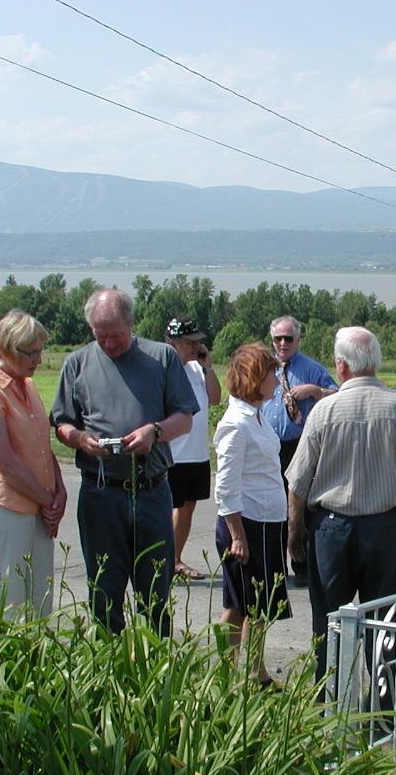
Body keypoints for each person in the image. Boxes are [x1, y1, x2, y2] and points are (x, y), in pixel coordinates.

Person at [285, 326, 396, 698]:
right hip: (385, 529)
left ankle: (329, 702)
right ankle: (387, 709)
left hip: (332, 529)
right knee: (387, 623)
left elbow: (298, 482)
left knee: (329, 622)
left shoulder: (324, 411)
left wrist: (295, 531)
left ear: (341, 367)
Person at [49, 289, 199, 634]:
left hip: (151, 491)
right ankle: (109, 667)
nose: (109, 344)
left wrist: (154, 432)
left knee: (155, 594)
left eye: (116, 335)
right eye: (100, 336)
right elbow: (61, 423)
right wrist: (81, 440)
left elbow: (185, 418)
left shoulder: (161, 357)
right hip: (101, 493)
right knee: (103, 591)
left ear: (131, 324)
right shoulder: (77, 363)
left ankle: (155, 668)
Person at [0, 310, 66, 616]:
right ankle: (9, 663)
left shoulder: (26, 384)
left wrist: (59, 492)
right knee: (10, 600)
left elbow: (42, 447)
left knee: (40, 598)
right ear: (7, 349)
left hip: (38, 505)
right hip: (4, 505)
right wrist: (48, 500)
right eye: (31, 352)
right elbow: (4, 460)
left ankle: (37, 660)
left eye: (40, 351)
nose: (39, 360)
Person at [213, 343, 290, 685]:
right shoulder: (235, 424)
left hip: (267, 521)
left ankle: (255, 671)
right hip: (247, 524)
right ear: (254, 378)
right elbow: (225, 486)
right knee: (240, 604)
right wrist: (238, 535)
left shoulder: (255, 415)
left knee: (260, 604)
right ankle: (225, 673)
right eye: (271, 373)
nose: (276, 378)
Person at [262, 315, 338, 586]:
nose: (283, 344)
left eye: (288, 338)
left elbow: (339, 396)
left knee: (301, 508)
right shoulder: (264, 366)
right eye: (278, 339)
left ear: (298, 339)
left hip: (300, 445)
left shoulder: (312, 369)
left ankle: (302, 564)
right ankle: (275, 570)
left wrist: (316, 391)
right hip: (268, 447)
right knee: (272, 506)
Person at [165, 316, 221, 581]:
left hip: (197, 454)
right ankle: (164, 561)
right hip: (173, 454)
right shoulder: (164, 368)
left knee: (188, 507)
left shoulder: (197, 369)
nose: (195, 347)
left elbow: (216, 397)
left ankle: (175, 559)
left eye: (197, 342)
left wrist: (208, 367)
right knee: (169, 509)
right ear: (175, 342)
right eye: (190, 342)